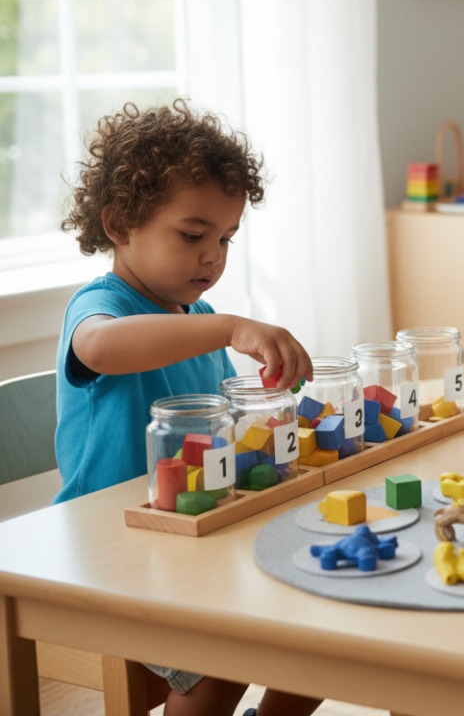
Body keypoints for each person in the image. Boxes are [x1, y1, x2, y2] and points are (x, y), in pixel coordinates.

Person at [57, 99, 320, 716]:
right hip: (110, 552)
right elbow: (98, 347)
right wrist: (229, 327)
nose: (213, 256)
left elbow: (219, 425)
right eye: (194, 235)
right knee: (223, 656)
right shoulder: (104, 307)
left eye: (225, 238)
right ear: (120, 224)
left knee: (320, 621)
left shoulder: (197, 320)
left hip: (191, 537)